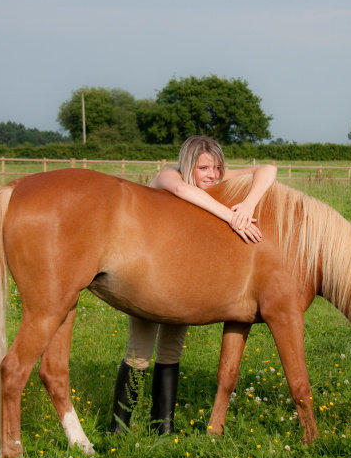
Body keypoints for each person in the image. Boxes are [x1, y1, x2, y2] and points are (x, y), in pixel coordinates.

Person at [110, 135, 278, 435]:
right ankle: (118, 428)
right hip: (150, 276)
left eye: (216, 168)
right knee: (139, 350)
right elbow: (183, 190)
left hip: (184, 276)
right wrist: (232, 216)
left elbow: (267, 169)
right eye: (204, 168)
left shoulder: (215, 178)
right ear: (190, 165)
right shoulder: (169, 175)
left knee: (171, 350)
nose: (212, 175)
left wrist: (248, 204)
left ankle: (162, 426)